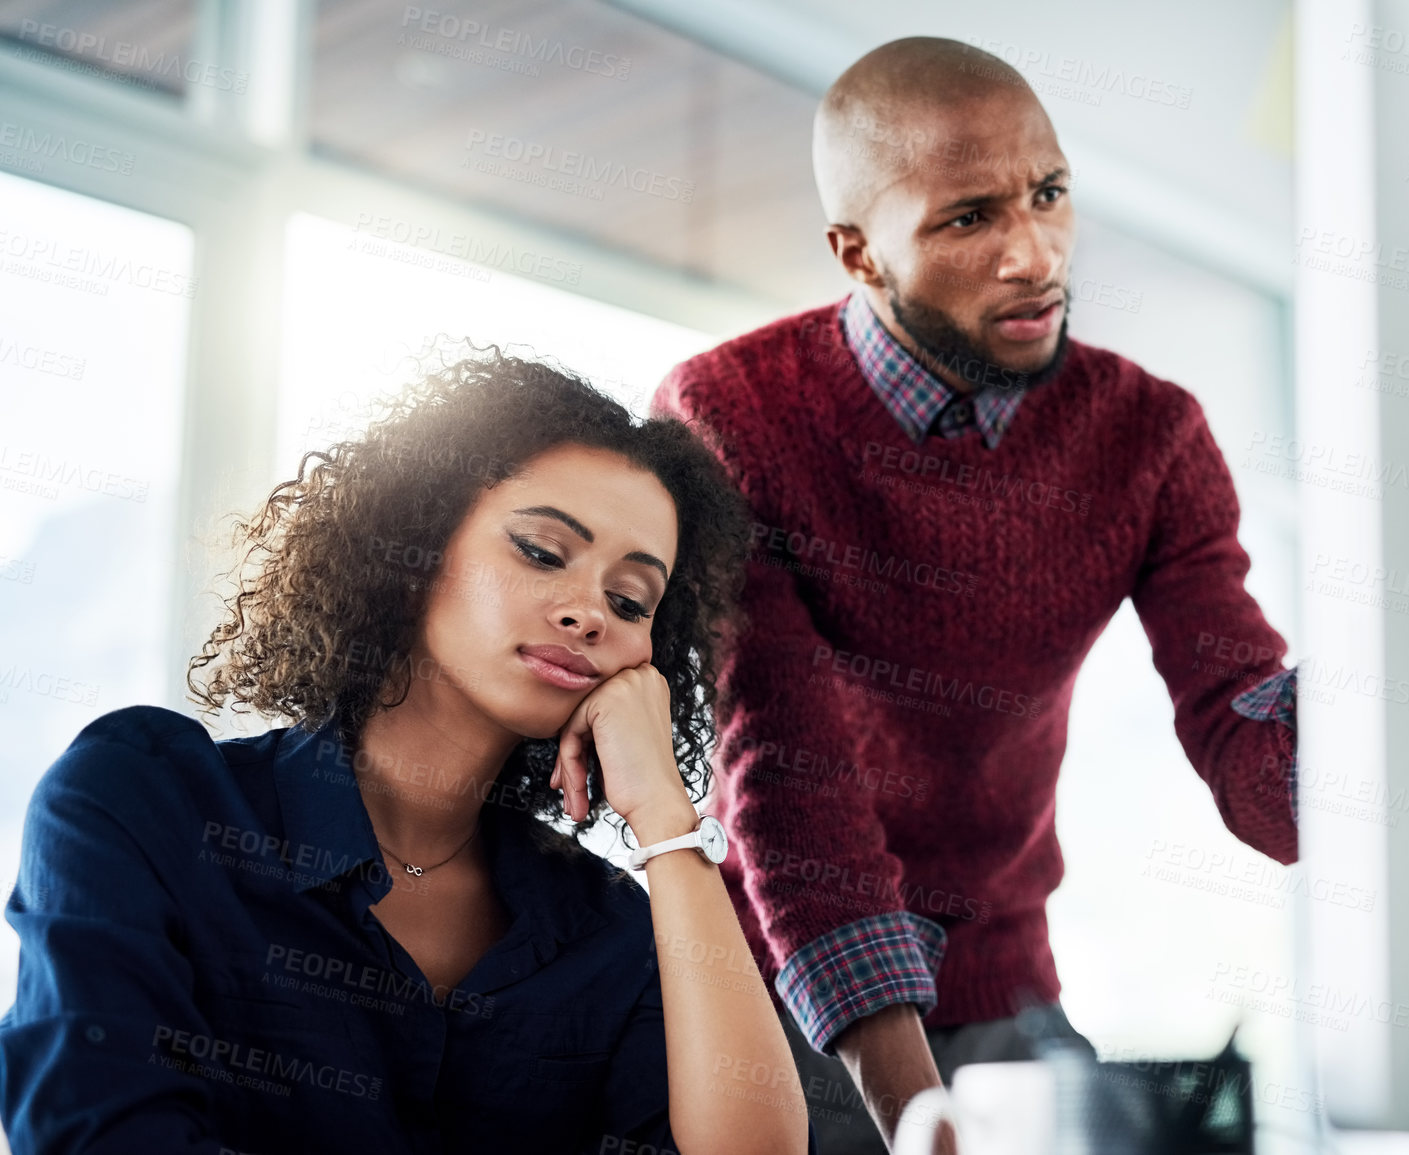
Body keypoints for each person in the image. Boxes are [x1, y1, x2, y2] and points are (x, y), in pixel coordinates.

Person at [650, 36, 1300, 1155]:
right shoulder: (730, 413)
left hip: (1003, 975)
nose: (1034, 255)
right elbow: (790, 789)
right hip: (771, 980)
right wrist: (918, 1116)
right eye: (969, 219)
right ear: (858, 254)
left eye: (1048, 195)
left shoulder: (1154, 435)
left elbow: (1250, 746)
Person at [0, 348, 812, 1155]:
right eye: (539, 551)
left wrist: (665, 816)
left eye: (629, 599)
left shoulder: (607, 928)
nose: (588, 613)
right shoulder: (144, 800)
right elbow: (96, 1132)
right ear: (412, 547)